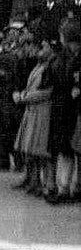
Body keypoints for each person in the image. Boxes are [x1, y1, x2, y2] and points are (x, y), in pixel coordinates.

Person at [13, 39, 56, 196]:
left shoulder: (50, 67)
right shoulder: (39, 65)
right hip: (33, 112)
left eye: (43, 47)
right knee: (31, 150)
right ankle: (34, 181)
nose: (39, 50)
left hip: (43, 112)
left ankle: (48, 184)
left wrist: (25, 96)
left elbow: (48, 91)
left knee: (42, 151)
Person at [44, 21, 81, 204]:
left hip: (73, 109)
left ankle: (69, 188)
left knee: (72, 150)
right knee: (65, 149)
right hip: (63, 108)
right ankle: (64, 188)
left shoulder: (70, 58)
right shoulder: (62, 57)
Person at [0, 26, 23, 171]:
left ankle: (18, 162)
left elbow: (14, 78)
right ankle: (2, 161)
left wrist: (0, 72)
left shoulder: (7, 57)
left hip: (4, 100)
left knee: (8, 131)